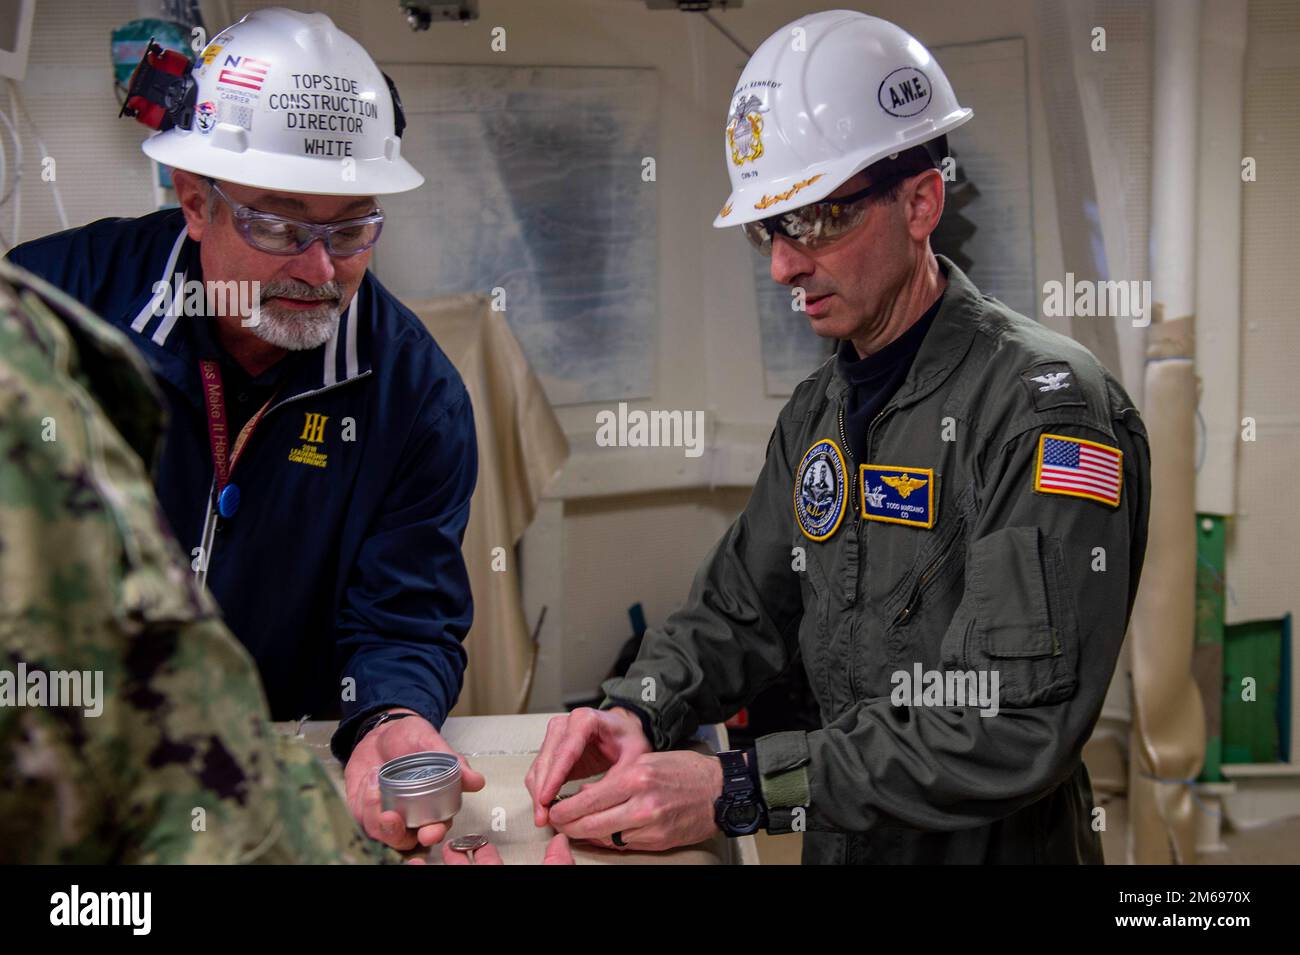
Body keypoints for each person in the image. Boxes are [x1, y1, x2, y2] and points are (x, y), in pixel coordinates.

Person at [525, 10, 1151, 864]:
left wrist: (740, 786)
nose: (784, 265)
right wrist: (635, 704)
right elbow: (742, 608)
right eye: (769, 229)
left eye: (818, 220)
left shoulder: (1046, 411)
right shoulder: (820, 408)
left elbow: (1007, 725)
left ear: (921, 201)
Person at [5, 8, 479, 852]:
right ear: (194, 202)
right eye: (279, 225)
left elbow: (404, 619)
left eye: (353, 227)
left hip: (265, 784)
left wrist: (391, 716)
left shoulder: (416, 396)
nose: (320, 269)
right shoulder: (51, 319)